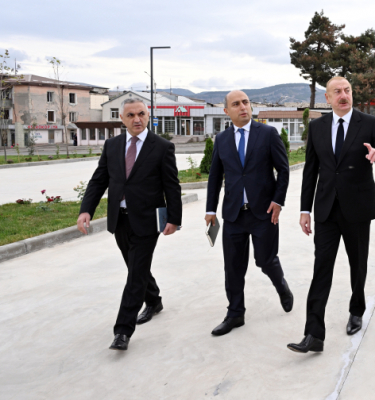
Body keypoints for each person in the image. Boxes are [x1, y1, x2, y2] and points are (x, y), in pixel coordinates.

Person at [287, 76, 375, 353]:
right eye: (337, 91)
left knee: (357, 265)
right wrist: (304, 210)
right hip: (325, 210)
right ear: (328, 98)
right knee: (321, 268)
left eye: (347, 90)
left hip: (357, 209)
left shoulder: (369, 124)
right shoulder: (317, 127)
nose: (343, 95)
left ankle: (356, 309)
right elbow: (311, 171)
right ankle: (314, 334)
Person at [77, 98, 181, 351]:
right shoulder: (112, 145)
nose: (137, 119)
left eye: (142, 114)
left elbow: (171, 185)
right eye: (131, 115)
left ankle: (123, 330)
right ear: (122, 119)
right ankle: (154, 301)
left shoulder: (162, 147)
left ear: (148, 116)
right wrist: (86, 210)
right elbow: (99, 180)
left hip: (147, 220)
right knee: (136, 267)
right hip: (120, 219)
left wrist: (174, 219)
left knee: (135, 274)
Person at [205, 90, 292, 336]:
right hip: (233, 214)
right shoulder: (221, 139)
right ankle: (235, 314)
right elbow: (215, 177)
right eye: (236, 104)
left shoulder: (268, 134)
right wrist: (210, 209)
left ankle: (282, 286)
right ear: (226, 111)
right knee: (232, 267)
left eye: (246, 102)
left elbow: (283, 170)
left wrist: (278, 201)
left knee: (265, 260)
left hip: (264, 212)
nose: (243, 107)